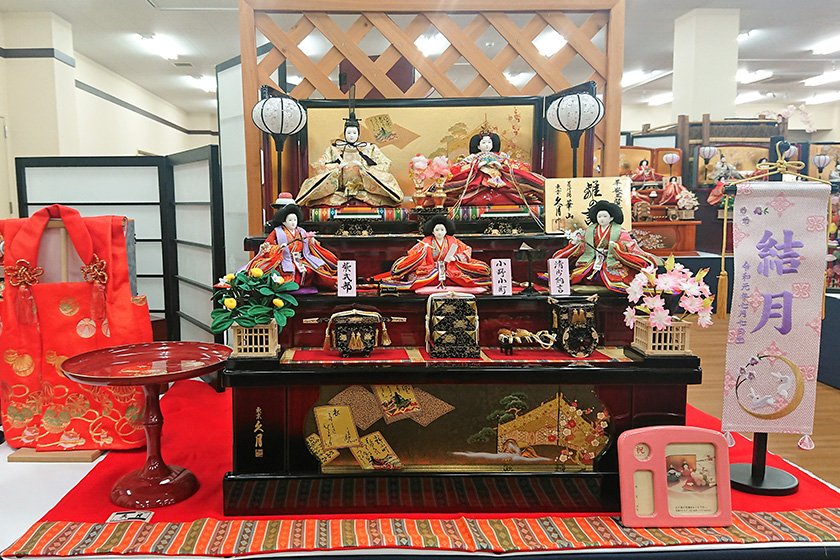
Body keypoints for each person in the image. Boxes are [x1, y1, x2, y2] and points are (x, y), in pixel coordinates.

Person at [295, 108, 404, 207]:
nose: (351, 135)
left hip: (366, 192)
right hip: (338, 192)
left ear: (358, 134)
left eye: (354, 132)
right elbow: (319, 166)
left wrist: (364, 169)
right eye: (349, 132)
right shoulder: (334, 149)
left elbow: (385, 164)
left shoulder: (370, 148)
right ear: (344, 133)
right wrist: (337, 167)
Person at [550, 200, 661, 293]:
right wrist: (577, 242)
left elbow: (628, 243)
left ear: (611, 218)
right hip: (594, 258)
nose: (602, 219)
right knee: (580, 274)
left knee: (618, 277)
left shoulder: (619, 230)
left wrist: (617, 246)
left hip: (611, 259)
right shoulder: (591, 230)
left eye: (604, 216)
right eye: (599, 216)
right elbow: (583, 244)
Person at [244, 194, 339, 292]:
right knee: (287, 271)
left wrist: (311, 241)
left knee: (312, 269)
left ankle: (323, 283)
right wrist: (277, 248)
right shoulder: (277, 231)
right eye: (290, 220)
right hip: (284, 259)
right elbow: (269, 245)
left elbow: (308, 244)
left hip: (300, 259)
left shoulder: (301, 231)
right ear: (283, 221)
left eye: (295, 220)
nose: (293, 222)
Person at [380, 214, 491, 293]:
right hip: (430, 268)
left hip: (451, 268)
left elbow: (466, 249)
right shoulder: (426, 241)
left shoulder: (453, 240)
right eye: (437, 230)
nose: (439, 232)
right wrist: (423, 252)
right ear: (432, 231)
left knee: (481, 269)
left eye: (442, 230)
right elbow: (413, 253)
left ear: (446, 231)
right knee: (423, 277)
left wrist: (456, 258)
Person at [443, 130, 545, 206]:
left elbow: (510, 162)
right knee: (473, 181)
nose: (487, 145)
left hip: (499, 175)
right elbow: (461, 165)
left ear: (493, 144)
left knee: (513, 179)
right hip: (480, 177)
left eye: (489, 142)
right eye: (483, 143)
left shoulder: (499, 155)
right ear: (478, 146)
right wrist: (477, 166)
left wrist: (500, 165)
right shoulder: (474, 157)